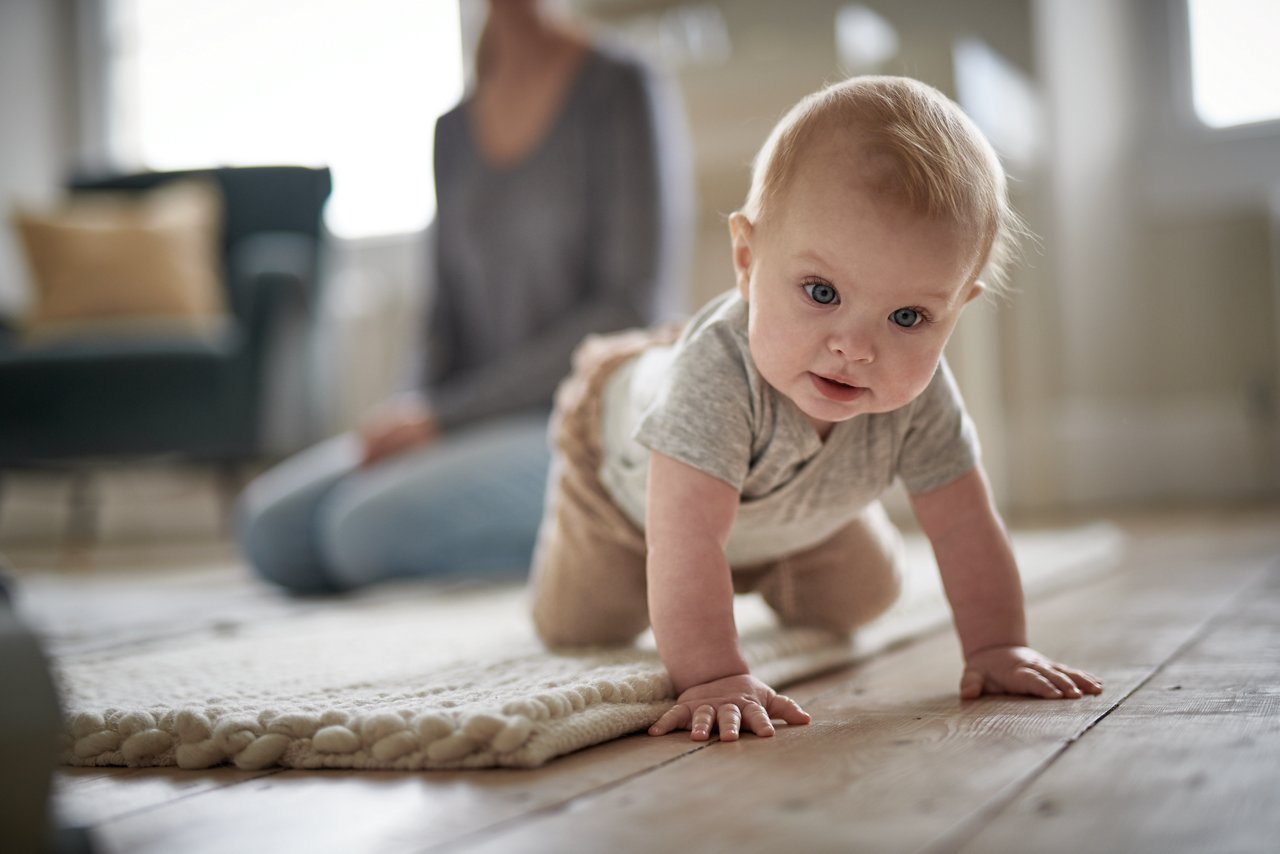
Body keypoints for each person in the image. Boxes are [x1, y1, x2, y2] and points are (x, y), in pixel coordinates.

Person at [529, 75, 1102, 742]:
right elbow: (685, 540)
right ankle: (630, 412)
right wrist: (714, 674)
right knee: (582, 623)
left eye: (909, 316)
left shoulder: (919, 397)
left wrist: (1000, 646)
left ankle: (769, 559)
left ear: (957, 311)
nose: (855, 348)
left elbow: (966, 526)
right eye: (822, 292)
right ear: (747, 260)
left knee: (867, 597)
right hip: (625, 494)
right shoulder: (715, 377)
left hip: (787, 508)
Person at [237, 0, 690, 594]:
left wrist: (444, 418)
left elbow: (630, 309)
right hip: (467, 418)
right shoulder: (452, 131)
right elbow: (442, 316)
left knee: (360, 530)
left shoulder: (620, 85)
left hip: (578, 420)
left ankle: (615, 530)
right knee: (270, 530)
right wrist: (411, 410)